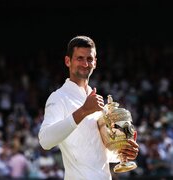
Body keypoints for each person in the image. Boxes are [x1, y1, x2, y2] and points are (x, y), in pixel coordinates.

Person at [38, 35, 139, 180]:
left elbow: (99, 154)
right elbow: (45, 141)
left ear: (95, 63)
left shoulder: (96, 101)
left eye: (89, 59)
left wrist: (122, 152)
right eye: (79, 58)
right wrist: (83, 111)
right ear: (68, 61)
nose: (85, 64)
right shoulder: (59, 97)